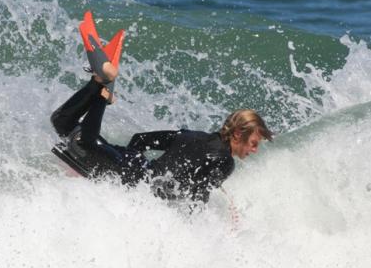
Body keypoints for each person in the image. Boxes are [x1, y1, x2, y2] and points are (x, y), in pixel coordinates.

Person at [51, 14, 273, 204]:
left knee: (61, 122)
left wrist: (123, 161)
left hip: (130, 165)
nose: (254, 150)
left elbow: (139, 140)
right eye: (253, 143)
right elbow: (196, 196)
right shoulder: (225, 161)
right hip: (131, 174)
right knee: (84, 142)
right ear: (237, 134)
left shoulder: (190, 135)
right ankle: (102, 87)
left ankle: (97, 83)